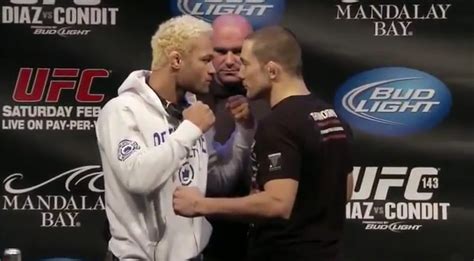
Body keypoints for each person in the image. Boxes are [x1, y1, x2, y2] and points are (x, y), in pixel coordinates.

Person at [173, 26, 354, 261]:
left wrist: (199, 205)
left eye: (246, 64)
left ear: (271, 70)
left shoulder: (278, 124)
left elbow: (277, 203)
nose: (241, 73)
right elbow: (346, 190)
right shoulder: (332, 116)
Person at [96, 15, 254, 261]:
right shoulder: (122, 110)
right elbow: (137, 177)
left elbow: (214, 183)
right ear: (176, 60)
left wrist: (243, 131)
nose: (214, 69)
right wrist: (189, 130)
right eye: (206, 60)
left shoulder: (192, 110)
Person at [197, 14, 269, 261]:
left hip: (254, 240)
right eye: (220, 51)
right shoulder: (187, 98)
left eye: (237, 51)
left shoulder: (273, 100)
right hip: (194, 236)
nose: (229, 61)